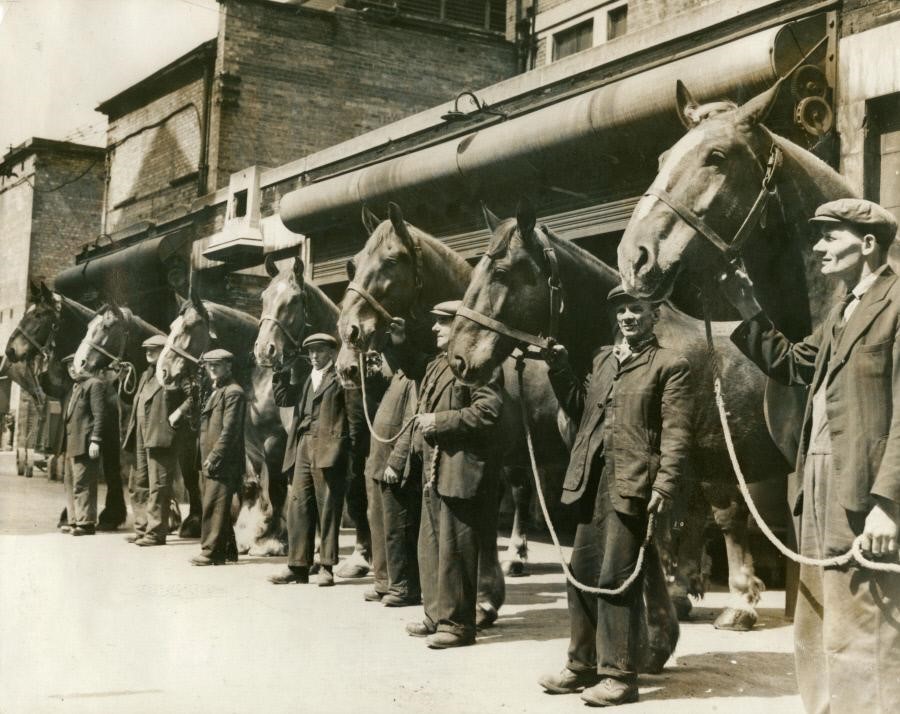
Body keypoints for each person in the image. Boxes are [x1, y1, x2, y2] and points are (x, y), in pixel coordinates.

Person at [719, 198, 900, 713]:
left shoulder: (898, 302)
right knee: (818, 620)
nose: (818, 247)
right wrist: (746, 307)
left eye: (829, 236)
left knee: (865, 625)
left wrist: (888, 503)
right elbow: (793, 363)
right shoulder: (842, 309)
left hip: (864, 491)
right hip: (818, 481)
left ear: (867, 244)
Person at [538, 285, 692, 707]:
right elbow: (580, 406)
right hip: (592, 482)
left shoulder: (670, 365)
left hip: (633, 483)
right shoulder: (603, 360)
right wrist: (559, 368)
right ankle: (581, 665)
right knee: (581, 575)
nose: (627, 316)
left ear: (654, 315)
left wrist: (665, 483)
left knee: (617, 578)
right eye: (621, 310)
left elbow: (677, 433)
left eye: (636, 309)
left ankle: (619, 675)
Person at [398, 300, 503, 649]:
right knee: (431, 546)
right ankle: (435, 615)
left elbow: (489, 412)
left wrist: (439, 422)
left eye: (443, 322)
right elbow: (420, 393)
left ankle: (457, 625)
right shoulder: (437, 365)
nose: (435, 328)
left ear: (461, 327)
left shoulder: (481, 365)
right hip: (434, 468)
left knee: (456, 548)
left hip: (462, 468)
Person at [268, 333, 350, 587]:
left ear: (331, 353)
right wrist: (279, 370)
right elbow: (284, 399)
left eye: (320, 351)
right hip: (303, 445)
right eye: (311, 351)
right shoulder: (307, 378)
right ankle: (298, 566)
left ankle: (326, 566)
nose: (314, 356)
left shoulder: (340, 378)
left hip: (328, 448)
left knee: (327, 509)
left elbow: (351, 416)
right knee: (299, 506)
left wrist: (343, 450)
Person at [363, 352, 422, 607]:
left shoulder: (411, 380)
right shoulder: (394, 379)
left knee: (397, 530)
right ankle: (384, 581)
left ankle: (404, 587)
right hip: (376, 464)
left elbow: (411, 421)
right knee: (379, 527)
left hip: (391, 466)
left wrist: (397, 462)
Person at [122, 334, 190, 546]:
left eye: (154, 349)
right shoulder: (145, 375)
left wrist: (177, 413)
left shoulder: (176, 374)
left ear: (165, 351)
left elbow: (193, 397)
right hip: (141, 435)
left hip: (160, 436)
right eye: (146, 349)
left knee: (158, 485)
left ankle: (156, 531)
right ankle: (142, 527)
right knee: (138, 482)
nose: (148, 353)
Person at [191, 349, 244, 566]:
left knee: (214, 504)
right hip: (209, 457)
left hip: (222, 460)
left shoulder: (233, 392)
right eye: (209, 365)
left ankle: (211, 552)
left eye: (218, 365)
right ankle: (228, 550)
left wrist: (215, 455)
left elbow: (230, 430)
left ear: (229, 367)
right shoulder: (215, 390)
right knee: (216, 504)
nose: (212, 368)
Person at [61, 353, 106, 537]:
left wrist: (95, 439)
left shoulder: (94, 384)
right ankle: (74, 520)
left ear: (85, 364)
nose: (72, 369)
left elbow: (99, 415)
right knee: (71, 482)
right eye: (68, 366)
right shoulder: (75, 387)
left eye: (75, 364)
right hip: (72, 443)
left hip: (85, 442)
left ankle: (86, 523)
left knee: (83, 482)